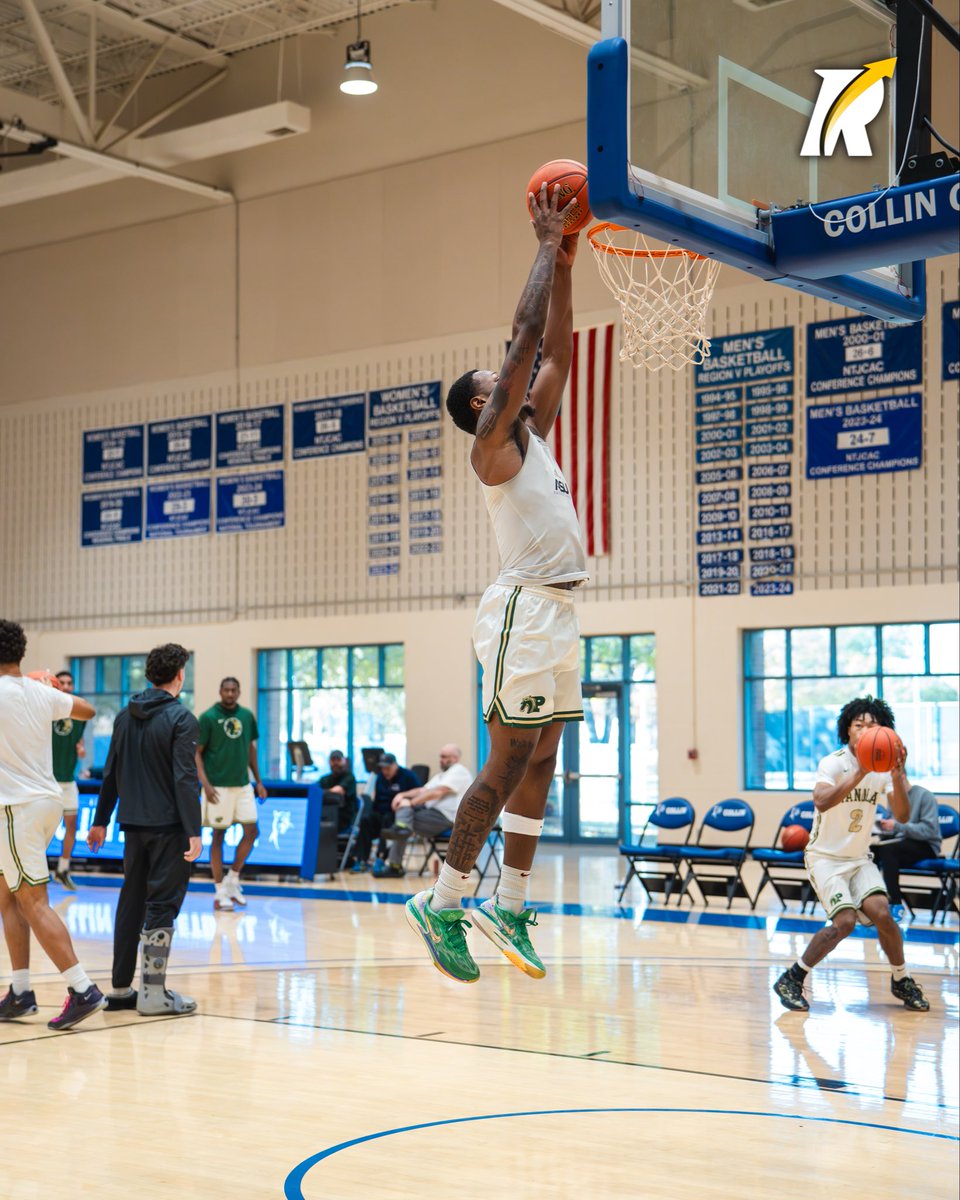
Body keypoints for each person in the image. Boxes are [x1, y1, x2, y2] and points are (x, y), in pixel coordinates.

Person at [406, 183, 586, 984]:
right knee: (506, 761)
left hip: (560, 609)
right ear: (486, 400)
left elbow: (560, 354)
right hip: (521, 610)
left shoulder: (533, 436)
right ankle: (444, 901)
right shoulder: (494, 447)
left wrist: (571, 261)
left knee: (543, 757)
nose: (517, 376)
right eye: (502, 378)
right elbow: (524, 341)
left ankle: (510, 902)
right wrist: (544, 242)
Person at [773, 697, 930, 1013]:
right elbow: (820, 800)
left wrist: (898, 773)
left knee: (883, 914)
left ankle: (902, 978)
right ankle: (793, 977)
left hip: (859, 858)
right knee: (844, 922)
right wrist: (860, 772)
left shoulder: (884, 770)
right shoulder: (834, 762)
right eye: (859, 725)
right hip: (825, 858)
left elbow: (901, 815)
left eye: (873, 725)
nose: (866, 730)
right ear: (847, 731)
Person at [0, 619, 105, 1030]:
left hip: (15, 808)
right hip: (47, 801)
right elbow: (89, 710)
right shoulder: (39, 691)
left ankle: (82, 989)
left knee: (32, 901)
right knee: (8, 898)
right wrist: (50, 688)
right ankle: (21, 991)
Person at [88, 643, 202, 1016]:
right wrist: (194, 830)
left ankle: (121, 989)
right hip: (169, 828)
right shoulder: (182, 719)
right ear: (179, 675)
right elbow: (185, 779)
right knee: (162, 905)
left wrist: (100, 820)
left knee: (131, 902)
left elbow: (111, 773)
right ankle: (153, 994)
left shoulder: (124, 716)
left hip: (132, 826)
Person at [195, 677, 267, 912]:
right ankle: (219, 892)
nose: (229, 693)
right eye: (225, 689)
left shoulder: (246, 716)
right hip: (217, 787)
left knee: (252, 830)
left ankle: (232, 878)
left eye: (233, 690)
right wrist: (204, 783)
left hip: (243, 784)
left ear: (238, 692)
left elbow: (250, 749)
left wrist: (259, 781)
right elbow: (196, 753)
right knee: (218, 837)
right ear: (220, 691)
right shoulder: (207, 718)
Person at [374, 744, 473, 878]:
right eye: (440, 756)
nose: (441, 760)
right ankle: (401, 831)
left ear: (455, 758)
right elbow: (422, 790)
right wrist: (402, 795)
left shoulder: (458, 771)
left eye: (444, 757)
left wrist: (411, 802)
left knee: (403, 818)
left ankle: (395, 864)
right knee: (403, 817)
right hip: (431, 815)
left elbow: (438, 792)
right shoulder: (441, 775)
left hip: (446, 818)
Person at [871, 773, 942, 920]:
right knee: (872, 851)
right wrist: (882, 827)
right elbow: (896, 829)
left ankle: (895, 903)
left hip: (926, 845)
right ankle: (872, 902)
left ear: (901, 777)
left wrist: (897, 826)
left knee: (889, 850)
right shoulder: (893, 797)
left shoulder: (925, 796)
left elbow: (928, 831)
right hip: (901, 844)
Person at [351, 753, 419, 872]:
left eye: (387, 768)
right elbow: (376, 801)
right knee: (366, 820)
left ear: (395, 765)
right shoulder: (380, 777)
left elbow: (420, 791)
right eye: (382, 768)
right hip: (380, 812)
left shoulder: (408, 775)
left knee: (387, 821)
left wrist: (402, 796)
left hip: (397, 815)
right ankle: (361, 860)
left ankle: (380, 858)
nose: (385, 771)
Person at [50, 668, 86, 891]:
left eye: (69, 683)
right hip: (47, 782)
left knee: (72, 826)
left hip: (68, 781)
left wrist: (80, 749)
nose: (65, 686)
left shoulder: (79, 714)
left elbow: (78, 742)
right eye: (61, 683)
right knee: (43, 830)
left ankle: (63, 869)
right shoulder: (47, 710)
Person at [319, 749, 358, 832]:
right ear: (329, 762)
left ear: (344, 761)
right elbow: (315, 792)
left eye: (339, 760)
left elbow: (339, 791)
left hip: (344, 817)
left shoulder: (349, 777)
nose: (336, 763)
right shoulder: (324, 779)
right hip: (326, 814)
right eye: (333, 760)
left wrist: (323, 792)